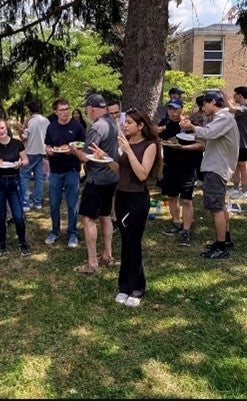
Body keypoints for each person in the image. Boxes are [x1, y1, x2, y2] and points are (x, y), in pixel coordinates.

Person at [93, 108, 161, 307]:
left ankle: (137, 288)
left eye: (130, 122)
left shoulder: (150, 145)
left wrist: (129, 151)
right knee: (125, 242)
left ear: (140, 125)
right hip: (121, 196)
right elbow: (120, 169)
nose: (125, 125)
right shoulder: (127, 143)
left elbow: (142, 174)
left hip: (137, 198)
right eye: (126, 122)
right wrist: (105, 158)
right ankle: (124, 286)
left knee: (134, 243)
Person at [180, 91, 240, 259]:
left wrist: (191, 127)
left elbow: (207, 134)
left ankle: (221, 247)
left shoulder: (224, 118)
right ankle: (225, 240)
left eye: (204, 104)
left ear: (213, 102)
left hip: (217, 168)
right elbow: (208, 134)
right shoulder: (223, 118)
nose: (202, 108)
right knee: (219, 205)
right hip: (218, 167)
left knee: (215, 209)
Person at [71, 93, 119, 274]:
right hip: (112, 178)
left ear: (91, 108)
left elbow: (86, 157)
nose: (86, 112)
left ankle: (92, 263)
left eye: (87, 109)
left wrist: (74, 150)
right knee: (105, 215)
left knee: (88, 218)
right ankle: (107, 255)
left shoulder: (97, 127)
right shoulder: (114, 123)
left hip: (96, 179)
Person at [158, 99, 205, 246]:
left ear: (181, 109)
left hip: (187, 167)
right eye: (170, 109)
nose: (172, 112)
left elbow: (202, 145)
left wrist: (183, 148)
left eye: (175, 109)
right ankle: (176, 222)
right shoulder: (164, 126)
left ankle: (186, 230)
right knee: (172, 197)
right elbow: (158, 139)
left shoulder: (189, 125)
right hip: (169, 167)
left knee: (186, 200)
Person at [0, 117, 30, 255]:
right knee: (1, 215)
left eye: (2, 128)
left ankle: (22, 243)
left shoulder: (17, 143)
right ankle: (3, 244)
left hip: (13, 182)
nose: (1, 131)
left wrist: (20, 164)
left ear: (6, 128)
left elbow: (26, 160)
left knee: (18, 216)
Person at [43, 99, 85, 247]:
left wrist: (74, 150)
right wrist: (48, 151)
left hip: (72, 169)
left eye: (66, 109)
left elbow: (82, 144)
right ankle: (55, 231)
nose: (65, 112)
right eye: (61, 110)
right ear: (55, 112)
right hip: (55, 170)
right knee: (54, 203)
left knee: (72, 203)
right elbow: (48, 146)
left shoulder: (77, 126)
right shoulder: (51, 127)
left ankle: (72, 233)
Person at [19, 100, 50, 212]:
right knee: (39, 177)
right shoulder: (46, 120)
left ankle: (25, 203)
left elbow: (24, 137)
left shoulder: (30, 121)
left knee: (23, 175)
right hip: (42, 151)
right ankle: (37, 202)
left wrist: (20, 129)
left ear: (30, 111)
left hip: (30, 151)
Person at [222, 87, 247, 198]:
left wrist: (224, 94)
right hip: (238, 142)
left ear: (240, 95)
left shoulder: (245, 108)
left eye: (235, 94)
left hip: (244, 143)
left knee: (243, 166)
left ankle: (245, 191)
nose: (234, 96)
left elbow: (231, 109)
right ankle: (236, 188)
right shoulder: (242, 108)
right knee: (237, 166)